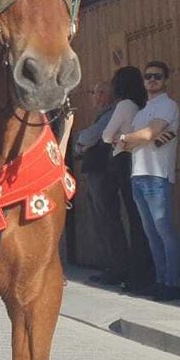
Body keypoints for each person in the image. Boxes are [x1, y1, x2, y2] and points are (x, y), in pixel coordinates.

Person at [115, 60, 180, 300]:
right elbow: (133, 141)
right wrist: (135, 139)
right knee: (151, 233)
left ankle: (172, 283)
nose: (152, 80)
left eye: (157, 76)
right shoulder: (142, 112)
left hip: (157, 175)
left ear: (166, 80)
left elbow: (147, 134)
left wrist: (128, 138)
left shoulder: (168, 105)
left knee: (164, 230)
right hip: (138, 174)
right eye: (148, 76)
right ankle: (160, 280)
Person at [100, 65, 155, 291]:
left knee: (124, 217)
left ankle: (132, 272)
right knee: (140, 218)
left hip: (121, 161)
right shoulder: (142, 105)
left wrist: (117, 139)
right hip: (137, 160)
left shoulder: (124, 105)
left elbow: (106, 135)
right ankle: (145, 271)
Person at [74, 82, 118, 281]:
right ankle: (110, 266)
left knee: (106, 219)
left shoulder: (111, 113)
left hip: (103, 171)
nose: (97, 96)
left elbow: (90, 136)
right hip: (98, 171)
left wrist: (81, 144)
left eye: (101, 92)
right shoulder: (103, 114)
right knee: (101, 219)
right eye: (94, 92)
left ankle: (116, 268)